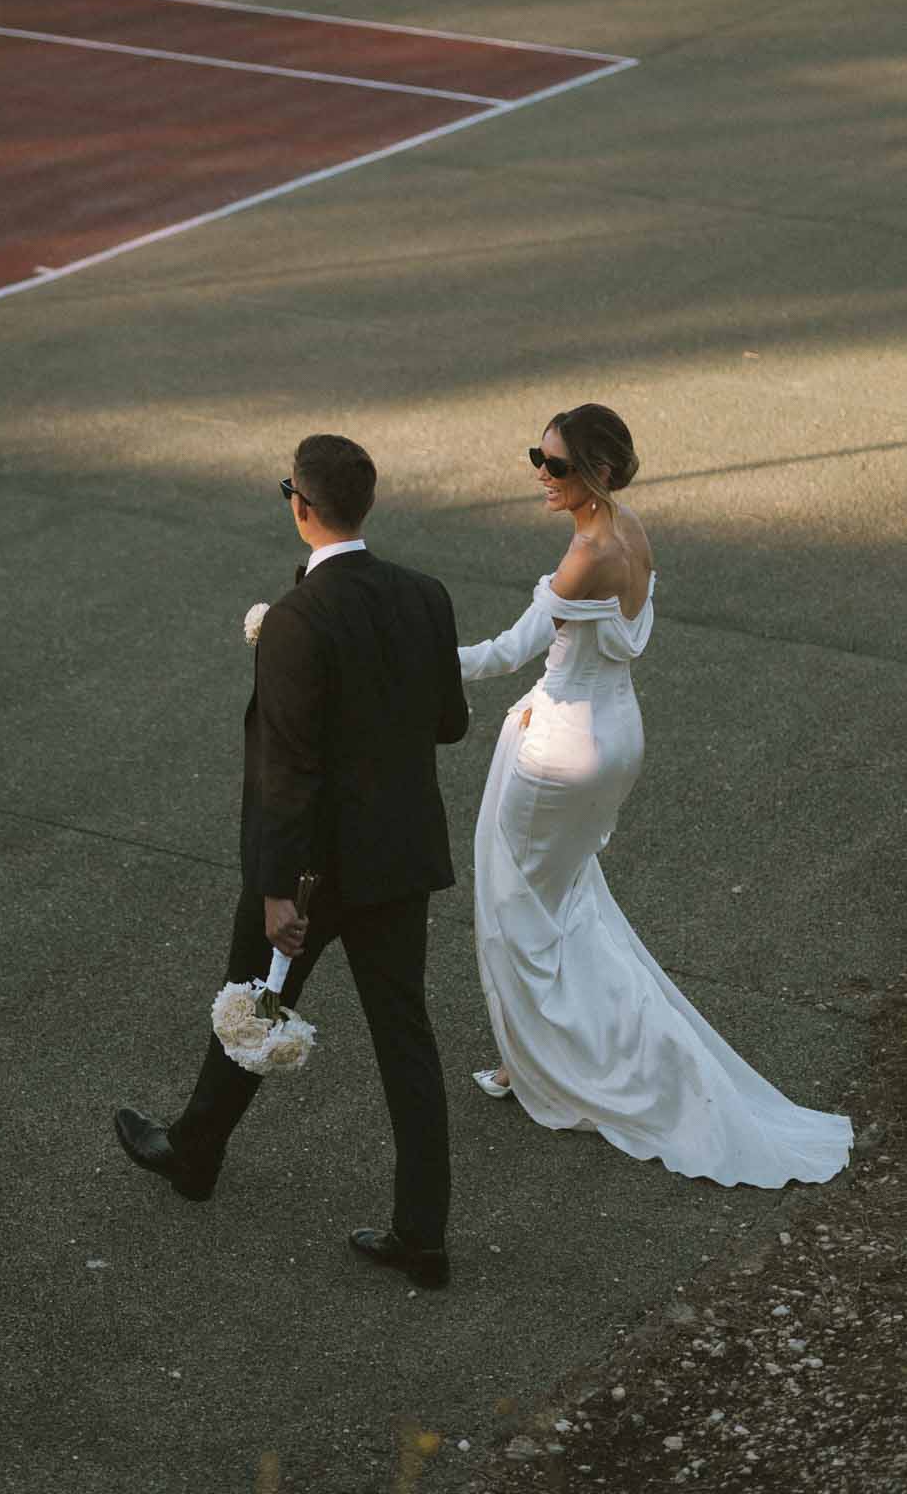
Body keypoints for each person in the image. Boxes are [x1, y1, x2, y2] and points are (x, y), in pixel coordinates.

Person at [459, 403, 852, 1188]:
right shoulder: (630, 530)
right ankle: (525, 1055)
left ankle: (554, 1065)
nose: (542, 474)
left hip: (560, 750)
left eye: (557, 465)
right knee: (560, 902)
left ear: (597, 473)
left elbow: (504, 653)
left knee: (515, 913)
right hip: (613, 736)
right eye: (535, 457)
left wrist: (392, 650)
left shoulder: (586, 557)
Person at [114, 433, 471, 1286]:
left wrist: (277, 889)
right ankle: (421, 1236)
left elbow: (284, 770)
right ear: (367, 503)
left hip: (309, 873)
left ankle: (193, 1156)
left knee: (253, 1002)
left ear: (298, 505)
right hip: (400, 858)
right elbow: (449, 723)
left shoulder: (295, 620)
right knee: (406, 1043)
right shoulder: (425, 595)